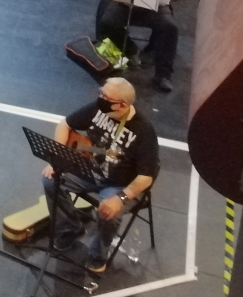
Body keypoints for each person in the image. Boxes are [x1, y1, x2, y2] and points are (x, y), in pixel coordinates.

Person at [40, 77, 159, 275]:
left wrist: (120, 199)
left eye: (105, 96)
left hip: (119, 184)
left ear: (122, 105)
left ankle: (97, 255)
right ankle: (70, 228)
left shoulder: (144, 132)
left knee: (109, 212)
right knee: (51, 180)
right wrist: (57, 159)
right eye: (100, 93)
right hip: (89, 171)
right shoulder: (99, 109)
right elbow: (65, 124)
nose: (99, 98)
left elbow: (146, 177)